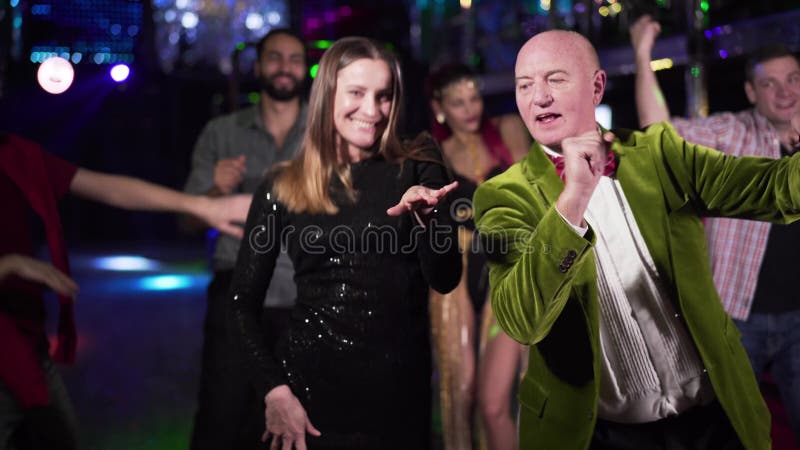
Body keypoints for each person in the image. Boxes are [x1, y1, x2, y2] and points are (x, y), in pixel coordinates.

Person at [472, 29, 800, 450]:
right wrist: (572, 200)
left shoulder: (658, 153)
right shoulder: (503, 195)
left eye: (555, 79)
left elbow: (771, 189)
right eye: (524, 85)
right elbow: (521, 319)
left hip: (712, 421)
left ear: (597, 87)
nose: (538, 97)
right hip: (601, 434)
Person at [228, 36, 461, 450]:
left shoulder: (418, 162)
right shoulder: (283, 184)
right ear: (327, 95)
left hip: (398, 402)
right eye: (356, 93)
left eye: (384, 96)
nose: (372, 111)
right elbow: (241, 304)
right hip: (307, 401)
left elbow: (444, 279)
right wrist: (274, 390)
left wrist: (430, 225)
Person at [0, 132, 251, 450]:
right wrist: (6, 266)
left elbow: (107, 187)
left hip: (28, 348)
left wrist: (202, 205)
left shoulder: (13, 152)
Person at [631, 15, 800, 444]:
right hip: (738, 318)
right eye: (770, 84)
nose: (785, 92)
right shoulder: (734, 132)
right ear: (750, 92)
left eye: (793, 79)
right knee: (729, 432)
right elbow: (659, 136)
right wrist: (642, 55)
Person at [182, 28, 308, 450]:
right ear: (259, 66)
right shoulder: (222, 133)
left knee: (297, 424)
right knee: (222, 416)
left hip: (304, 297)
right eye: (275, 57)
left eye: (294, 59)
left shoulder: (325, 133)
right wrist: (214, 190)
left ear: (304, 68)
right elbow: (187, 223)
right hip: (235, 294)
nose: (284, 67)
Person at [425, 63, 529, 450]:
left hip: (507, 261)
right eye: (457, 103)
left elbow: (527, 193)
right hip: (460, 263)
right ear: (440, 108)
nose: (469, 109)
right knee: (461, 383)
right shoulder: (434, 153)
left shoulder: (507, 129)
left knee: (503, 390)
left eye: (473, 99)